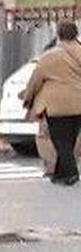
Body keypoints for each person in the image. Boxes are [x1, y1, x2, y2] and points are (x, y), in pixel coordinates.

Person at [22, 21, 81, 186]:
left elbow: (35, 81)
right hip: (79, 104)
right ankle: (60, 174)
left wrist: (28, 98)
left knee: (60, 141)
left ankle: (71, 172)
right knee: (70, 140)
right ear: (76, 34)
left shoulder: (49, 57)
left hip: (56, 106)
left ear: (58, 35)